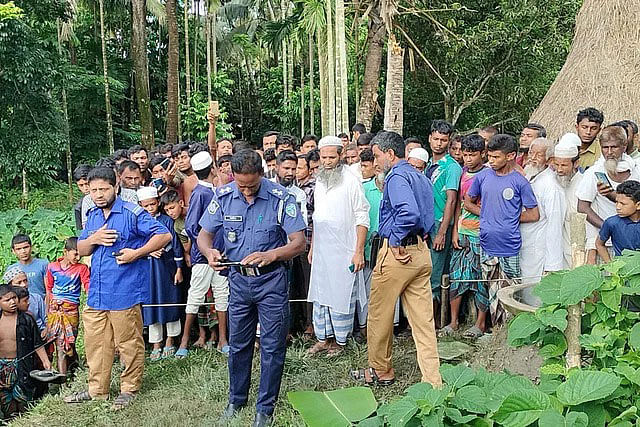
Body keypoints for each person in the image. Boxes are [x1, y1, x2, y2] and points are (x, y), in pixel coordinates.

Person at [197, 149, 306, 426]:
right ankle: (236, 399)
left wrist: (271, 255)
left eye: (251, 185)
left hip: (271, 281)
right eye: (241, 185)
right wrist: (210, 253)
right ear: (233, 176)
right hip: (239, 282)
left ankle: (265, 407)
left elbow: (298, 242)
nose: (246, 191)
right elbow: (203, 236)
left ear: (261, 174)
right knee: (239, 344)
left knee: (271, 346)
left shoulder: (282, 199)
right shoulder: (223, 197)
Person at [65, 166, 171, 409]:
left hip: (124, 290)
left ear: (116, 187)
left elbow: (163, 235)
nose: (99, 194)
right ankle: (96, 390)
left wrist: (138, 253)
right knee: (95, 343)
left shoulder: (132, 213)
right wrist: (94, 239)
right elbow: (81, 249)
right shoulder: (92, 214)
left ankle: (129, 389)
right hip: (97, 292)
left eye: (103, 189)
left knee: (128, 342)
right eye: (94, 190)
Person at [352, 130, 441, 387]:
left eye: (378, 155)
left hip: (398, 255)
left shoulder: (396, 177)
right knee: (424, 323)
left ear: (390, 154)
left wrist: (395, 239)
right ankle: (433, 381)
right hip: (421, 254)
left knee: (379, 316)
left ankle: (381, 371)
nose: (375, 161)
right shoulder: (420, 175)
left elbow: (409, 213)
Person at [465, 134, 539, 325]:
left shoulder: (520, 182)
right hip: (487, 243)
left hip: (510, 245)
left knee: (511, 289)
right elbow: (468, 203)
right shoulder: (483, 176)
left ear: (510, 156)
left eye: (496, 157)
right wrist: (487, 214)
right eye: (489, 156)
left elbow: (534, 214)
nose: (491, 161)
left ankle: (512, 329)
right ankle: (496, 329)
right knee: (490, 288)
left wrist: (509, 218)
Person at [307, 136, 370, 356]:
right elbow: (318, 216)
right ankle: (323, 338)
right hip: (323, 250)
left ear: (341, 156)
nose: (326, 161)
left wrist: (358, 251)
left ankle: (340, 342)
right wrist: (313, 247)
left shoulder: (352, 180)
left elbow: (362, 216)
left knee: (341, 294)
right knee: (321, 293)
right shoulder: (320, 179)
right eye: (323, 157)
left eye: (331, 157)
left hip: (345, 250)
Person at [177, 151, 230, 357]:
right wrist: (206, 248)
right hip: (204, 257)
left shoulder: (215, 191)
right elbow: (191, 226)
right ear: (212, 170)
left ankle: (223, 340)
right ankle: (183, 343)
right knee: (196, 295)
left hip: (222, 254)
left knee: (222, 295)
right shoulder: (201, 193)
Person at [444, 134, 487, 338]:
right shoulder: (460, 174)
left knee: (481, 278)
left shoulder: (488, 175)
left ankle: (480, 323)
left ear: (483, 154)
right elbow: (458, 206)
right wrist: (454, 231)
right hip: (462, 232)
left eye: (472, 155)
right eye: (465, 154)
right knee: (457, 276)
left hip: (481, 234)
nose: (468, 158)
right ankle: (453, 322)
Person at [577, 125, 640, 264]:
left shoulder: (637, 170)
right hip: (606, 244)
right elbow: (582, 207)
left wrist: (611, 195)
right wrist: (608, 226)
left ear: (624, 146)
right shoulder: (594, 173)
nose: (609, 152)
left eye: (614, 147)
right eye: (605, 148)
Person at [136, 187, 184, 360]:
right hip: (147, 269)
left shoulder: (166, 220)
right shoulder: (137, 221)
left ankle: (170, 340)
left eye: (153, 204)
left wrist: (179, 269)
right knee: (151, 303)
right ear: (140, 205)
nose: (150, 208)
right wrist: (148, 251)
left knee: (169, 300)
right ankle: (156, 342)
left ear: (158, 202)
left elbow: (176, 245)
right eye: (146, 206)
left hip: (167, 267)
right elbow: (135, 245)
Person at [519, 138, 565, 305]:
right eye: (531, 152)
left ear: (549, 160)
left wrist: (553, 264)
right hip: (525, 244)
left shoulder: (551, 185)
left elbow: (555, 224)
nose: (533, 157)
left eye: (539, 154)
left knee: (537, 292)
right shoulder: (530, 176)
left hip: (540, 248)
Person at [425, 120, 462, 324]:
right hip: (426, 225)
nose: (439, 143)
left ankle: (435, 322)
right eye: (436, 139)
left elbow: (452, 200)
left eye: (443, 140)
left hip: (441, 225)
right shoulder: (428, 165)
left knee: (436, 275)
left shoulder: (452, 167)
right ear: (430, 138)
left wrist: (441, 232)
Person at [0, 284, 50, 419]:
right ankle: (10, 419)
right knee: (4, 398)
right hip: (2, 366)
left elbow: (37, 343)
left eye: (14, 298)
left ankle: (24, 419)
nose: (12, 302)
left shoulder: (27, 319)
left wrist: (46, 362)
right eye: (7, 300)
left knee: (23, 396)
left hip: (22, 364)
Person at [44, 237, 89, 374]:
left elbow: (88, 287)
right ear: (65, 251)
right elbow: (49, 289)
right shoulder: (52, 267)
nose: (78, 257)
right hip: (55, 311)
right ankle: (62, 382)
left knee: (70, 343)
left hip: (71, 311)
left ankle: (74, 366)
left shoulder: (82, 268)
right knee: (59, 345)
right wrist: (48, 312)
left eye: (80, 254)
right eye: (75, 253)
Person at [359, 152, 383, 340]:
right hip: (367, 247)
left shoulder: (398, 187)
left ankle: (387, 329)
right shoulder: (363, 189)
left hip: (391, 248)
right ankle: (366, 327)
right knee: (366, 289)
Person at [553, 134, 583, 268]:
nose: (559, 170)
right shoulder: (554, 181)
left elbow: (578, 221)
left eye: (564, 165)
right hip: (558, 244)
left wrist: (577, 254)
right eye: (557, 164)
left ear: (576, 163)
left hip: (575, 246)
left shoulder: (582, 184)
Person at [295, 153, 315, 338]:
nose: (296, 172)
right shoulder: (292, 189)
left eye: (300, 168)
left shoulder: (314, 188)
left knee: (308, 285)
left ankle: (311, 323)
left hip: (309, 243)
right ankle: (298, 322)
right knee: (297, 285)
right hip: (291, 245)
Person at [596, 180, 640, 261]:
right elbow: (599, 244)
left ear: (638, 205)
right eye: (616, 202)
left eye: (623, 204)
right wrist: (610, 265)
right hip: (622, 271)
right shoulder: (612, 223)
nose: (618, 207)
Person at [3, 267, 46, 335]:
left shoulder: (36, 298)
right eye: (19, 282)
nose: (24, 285)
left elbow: (46, 318)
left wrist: (45, 330)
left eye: (25, 280)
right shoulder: (6, 304)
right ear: (10, 285)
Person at [8, 234, 48, 299]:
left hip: (41, 304)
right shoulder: (12, 269)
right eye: (18, 249)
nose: (23, 251)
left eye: (26, 247)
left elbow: (49, 290)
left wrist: (46, 307)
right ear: (13, 251)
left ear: (31, 247)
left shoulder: (43, 264)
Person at [73, 164, 92, 231]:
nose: (85, 188)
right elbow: (80, 231)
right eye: (81, 185)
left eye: (87, 184)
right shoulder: (78, 207)